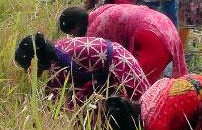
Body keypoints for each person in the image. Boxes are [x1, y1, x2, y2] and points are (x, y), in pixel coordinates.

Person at [14, 33, 149, 110]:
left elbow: (53, 105)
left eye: (28, 67)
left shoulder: (57, 67)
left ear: (37, 60)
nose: (28, 72)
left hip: (118, 67)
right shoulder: (59, 47)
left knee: (139, 110)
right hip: (113, 61)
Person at [59, 4, 187, 84]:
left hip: (152, 36)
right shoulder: (98, 13)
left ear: (76, 27)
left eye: (73, 34)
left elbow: (95, 67)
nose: (75, 37)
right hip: (164, 25)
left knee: (136, 85)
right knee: (155, 82)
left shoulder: (94, 32)